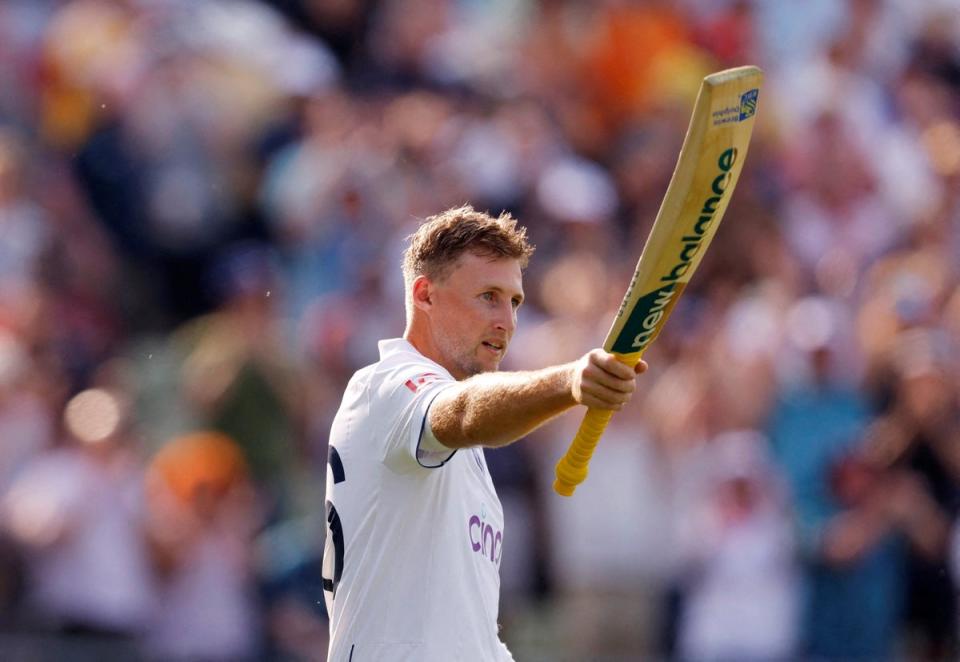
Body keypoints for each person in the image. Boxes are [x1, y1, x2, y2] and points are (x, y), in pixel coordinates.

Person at [323, 205, 647, 661]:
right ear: (425, 295)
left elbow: (469, 635)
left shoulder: (466, 464)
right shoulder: (386, 386)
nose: (507, 321)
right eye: (488, 296)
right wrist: (568, 382)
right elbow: (464, 411)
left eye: (514, 302)